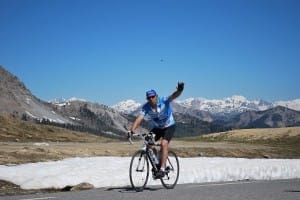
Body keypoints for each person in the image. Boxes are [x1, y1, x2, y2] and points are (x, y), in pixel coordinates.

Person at [127, 82, 184, 178]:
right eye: (148, 98)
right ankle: (157, 160)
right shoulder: (146, 107)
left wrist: (179, 90)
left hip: (169, 126)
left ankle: (162, 168)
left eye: (152, 97)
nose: (151, 99)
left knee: (163, 144)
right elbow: (139, 118)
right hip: (158, 128)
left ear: (156, 96)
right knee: (147, 143)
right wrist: (131, 131)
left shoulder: (163, 100)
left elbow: (173, 96)